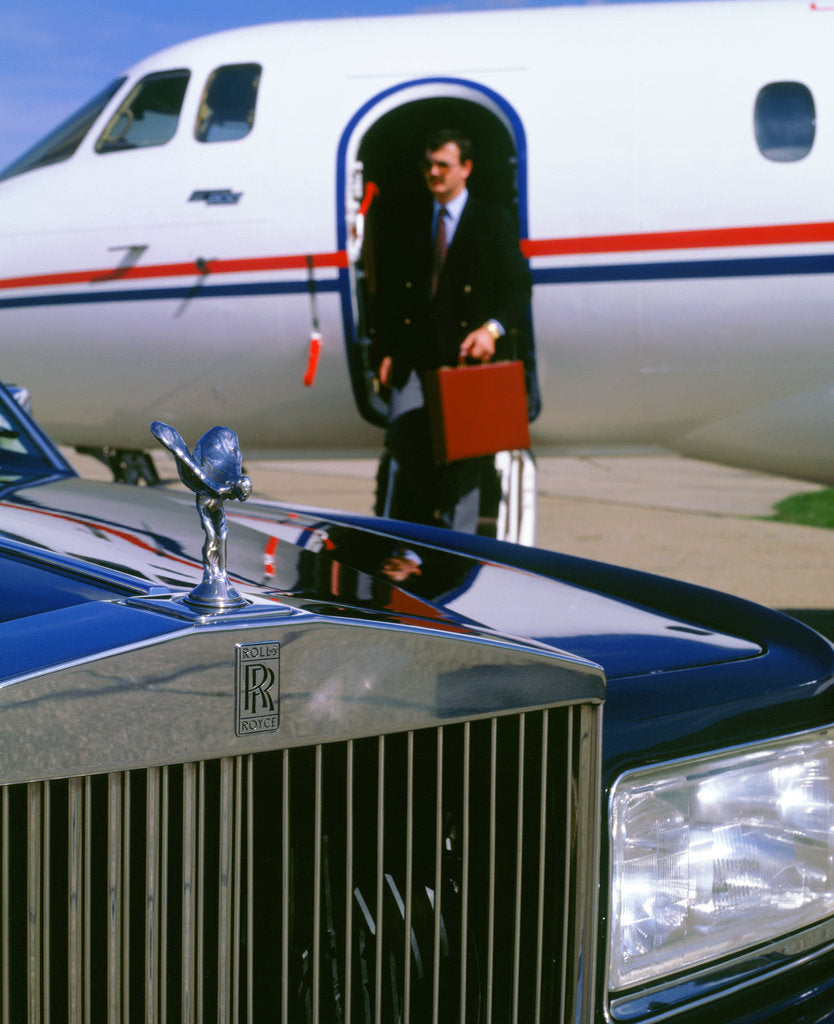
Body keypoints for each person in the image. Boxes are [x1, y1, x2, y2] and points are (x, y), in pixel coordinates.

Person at [374, 128, 532, 532]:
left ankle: (458, 557)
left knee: (463, 460)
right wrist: (386, 351)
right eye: (428, 165)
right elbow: (394, 298)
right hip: (415, 360)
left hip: (466, 362)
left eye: (443, 165)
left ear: (466, 169)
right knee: (401, 439)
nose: (434, 172)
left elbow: (518, 289)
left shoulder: (493, 221)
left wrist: (491, 331)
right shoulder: (411, 224)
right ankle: (412, 535)